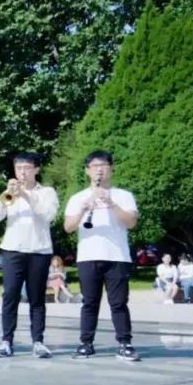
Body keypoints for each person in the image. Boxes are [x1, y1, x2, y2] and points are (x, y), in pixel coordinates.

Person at [63, 150, 140, 361]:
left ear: (111, 168)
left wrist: (111, 203)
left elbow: (131, 223)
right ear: (87, 171)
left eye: (104, 165)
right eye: (95, 166)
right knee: (89, 302)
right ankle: (86, 343)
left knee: (119, 303)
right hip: (88, 256)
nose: (99, 170)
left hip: (117, 256)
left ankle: (125, 343)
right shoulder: (78, 197)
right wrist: (83, 209)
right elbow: (68, 227)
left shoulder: (123, 195)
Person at [0, 152, 59, 358]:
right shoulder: (10, 193)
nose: (22, 172)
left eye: (27, 168)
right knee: (10, 295)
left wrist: (27, 196)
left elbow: (48, 215)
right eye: (18, 168)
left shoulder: (47, 192)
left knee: (37, 298)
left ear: (36, 169)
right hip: (13, 249)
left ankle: (38, 341)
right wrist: (6, 197)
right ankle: (6, 341)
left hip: (39, 250)